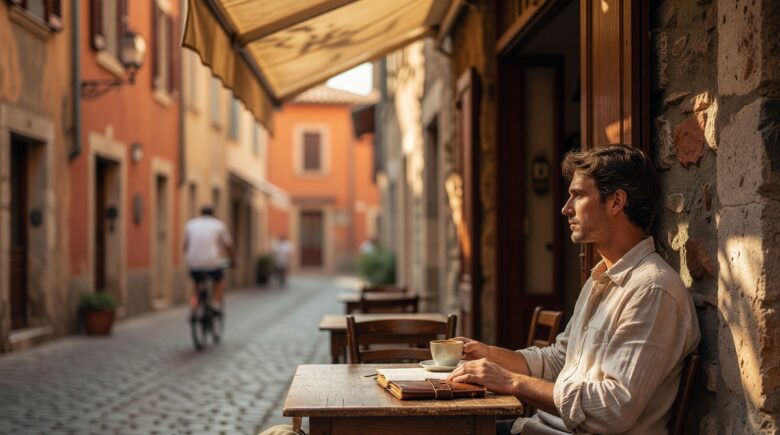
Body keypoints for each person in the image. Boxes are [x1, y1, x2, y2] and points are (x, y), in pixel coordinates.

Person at [448, 145, 700, 434]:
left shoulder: (653, 290)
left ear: (616, 202)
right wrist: (487, 354)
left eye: (578, 195)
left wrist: (509, 381)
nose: (566, 208)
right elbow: (559, 361)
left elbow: (614, 408)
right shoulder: (600, 278)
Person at [183, 206, 233, 312]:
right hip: (211, 261)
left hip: (193, 261)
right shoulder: (219, 225)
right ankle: (216, 304)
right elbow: (227, 245)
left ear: (201, 213)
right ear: (213, 214)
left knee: (196, 282)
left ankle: (194, 303)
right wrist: (233, 259)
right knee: (218, 280)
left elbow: (185, 246)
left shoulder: (191, 224)